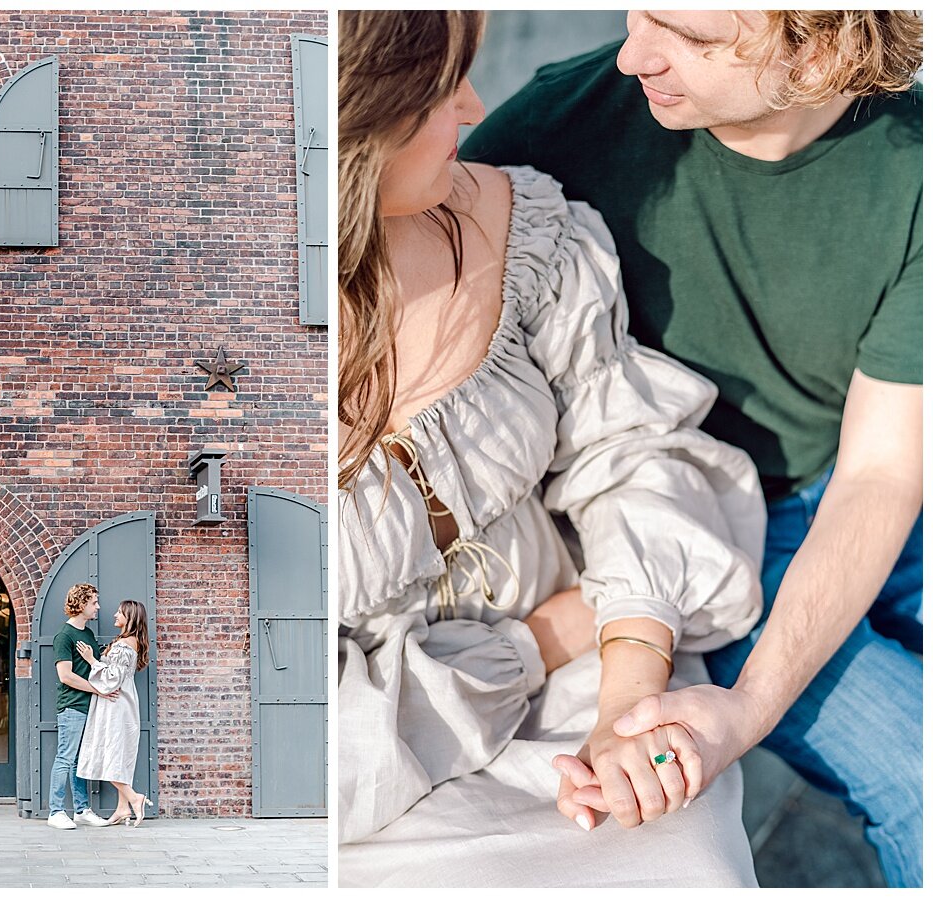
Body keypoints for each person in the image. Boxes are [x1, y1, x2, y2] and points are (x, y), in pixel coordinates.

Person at [462, 10, 922, 886]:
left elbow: (881, 473)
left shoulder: (914, 167)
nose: (636, 54)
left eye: (692, 38)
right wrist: (739, 709)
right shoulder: (556, 126)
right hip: (710, 531)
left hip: (859, 480)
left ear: (823, 49)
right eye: (639, 12)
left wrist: (747, 710)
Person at [337, 10, 768, 886]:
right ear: (342, 128)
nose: (473, 104)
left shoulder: (523, 229)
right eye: (434, 92)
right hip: (383, 779)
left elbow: (634, 447)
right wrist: (539, 639)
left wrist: (629, 693)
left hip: (594, 672)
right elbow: (300, 747)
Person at [76, 599, 155, 827]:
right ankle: (122, 809)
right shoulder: (132, 642)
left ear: (129, 617)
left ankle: (134, 798)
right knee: (120, 757)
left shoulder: (122, 646)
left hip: (115, 706)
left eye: (119, 613)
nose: (114, 615)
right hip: (125, 704)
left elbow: (112, 679)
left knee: (108, 756)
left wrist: (92, 660)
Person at [47, 582, 119, 830]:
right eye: (94, 602)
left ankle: (81, 810)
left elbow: (95, 667)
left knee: (79, 760)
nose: (98, 607)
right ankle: (55, 811)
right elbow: (65, 676)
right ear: (81, 604)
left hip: (88, 707)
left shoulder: (87, 634)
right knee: (65, 758)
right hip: (72, 707)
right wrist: (99, 690)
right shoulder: (64, 636)